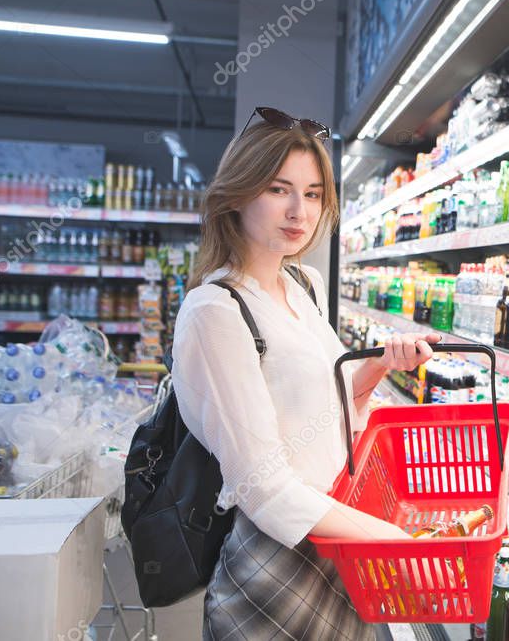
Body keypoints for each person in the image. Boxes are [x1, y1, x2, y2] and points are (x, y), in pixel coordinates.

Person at [171, 108, 440, 640]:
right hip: (278, 559)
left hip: (338, 533)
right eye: (279, 189)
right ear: (238, 194)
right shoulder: (216, 311)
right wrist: (390, 539)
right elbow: (262, 487)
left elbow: (327, 406)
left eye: (314, 194)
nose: (300, 211)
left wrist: (383, 365)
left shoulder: (305, 285)